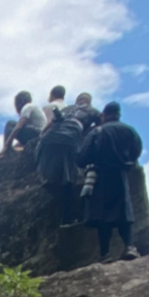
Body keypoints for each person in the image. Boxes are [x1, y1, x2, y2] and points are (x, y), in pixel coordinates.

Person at [76, 101, 144, 262]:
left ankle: (105, 253)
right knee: (124, 213)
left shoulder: (97, 132)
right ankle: (130, 246)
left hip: (100, 177)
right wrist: (127, 162)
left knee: (102, 215)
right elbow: (137, 151)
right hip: (120, 175)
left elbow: (81, 157)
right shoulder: (130, 131)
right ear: (118, 114)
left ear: (104, 115)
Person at [36, 92, 98, 223]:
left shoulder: (66, 109)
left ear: (77, 101)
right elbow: (102, 126)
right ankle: (68, 217)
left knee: (52, 175)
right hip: (69, 140)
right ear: (89, 102)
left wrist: (40, 138)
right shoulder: (92, 110)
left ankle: (48, 181)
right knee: (68, 179)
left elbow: (48, 126)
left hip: (48, 140)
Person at [0, 91, 47, 156]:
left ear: (21, 102)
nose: (16, 108)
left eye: (16, 104)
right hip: (38, 135)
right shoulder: (32, 108)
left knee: (10, 124)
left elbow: (18, 127)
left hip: (36, 134)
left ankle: (7, 151)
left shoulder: (27, 107)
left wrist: (6, 146)